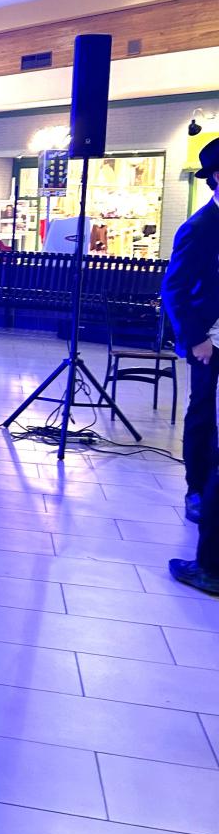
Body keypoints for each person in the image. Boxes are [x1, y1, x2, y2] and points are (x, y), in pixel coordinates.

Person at [165, 137, 219, 594]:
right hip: (211, 342)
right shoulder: (200, 227)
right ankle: (197, 490)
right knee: (203, 414)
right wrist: (195, 339)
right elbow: (175, 289)